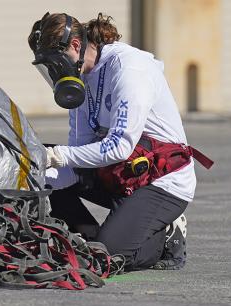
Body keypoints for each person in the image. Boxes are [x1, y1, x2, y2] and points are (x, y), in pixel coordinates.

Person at [27, 12, 213, 271]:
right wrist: (37, 175)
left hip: (160, 181)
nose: (55, 73)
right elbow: (80, 153)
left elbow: (118, 146)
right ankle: (88, 239)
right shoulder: (81, 80)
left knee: (107, 258)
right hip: (120, 173)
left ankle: (166, 235)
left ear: (76, 46)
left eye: (56, 63)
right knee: (38, 170)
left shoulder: (129, 69)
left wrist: (58, 157)